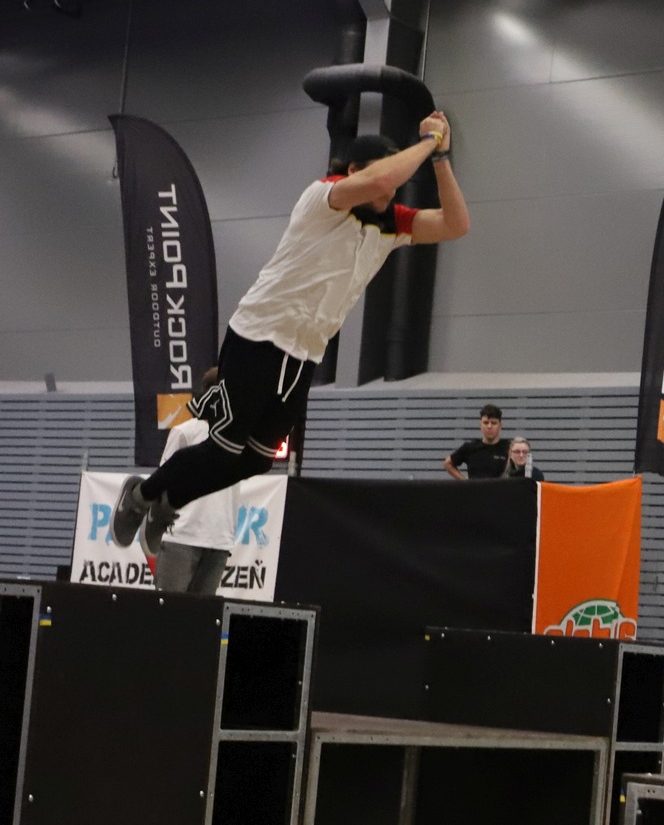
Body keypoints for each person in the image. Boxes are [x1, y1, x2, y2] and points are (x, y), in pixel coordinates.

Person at [111, 111, 470, 555]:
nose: (391, 189)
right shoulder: (324, 197)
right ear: (353, 171)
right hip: (259, 333)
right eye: (384, 177)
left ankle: (169, 502)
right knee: (224, 448)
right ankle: (142, 496)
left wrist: (442, 158)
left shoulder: (392, 224)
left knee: (258, 459)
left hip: (304, 351)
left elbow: (456, 224)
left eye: (395, 183)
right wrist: (427, 142)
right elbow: (380, 181)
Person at [154, 368, 238, 596]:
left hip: (219, 540)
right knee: (169, 609)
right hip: (183, 535)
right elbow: (163, 479)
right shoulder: (185, 432)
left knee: (201, 614)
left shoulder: (238, 438)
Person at [443, 403, 509, 479]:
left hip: (499, 487)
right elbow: (448, 463)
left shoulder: (509, 448)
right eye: (486, 423)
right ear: (480, 425)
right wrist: (464, 482)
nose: (489, 426)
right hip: (475, 487)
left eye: (493, 423)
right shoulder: (470, 447)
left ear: (500, 425)